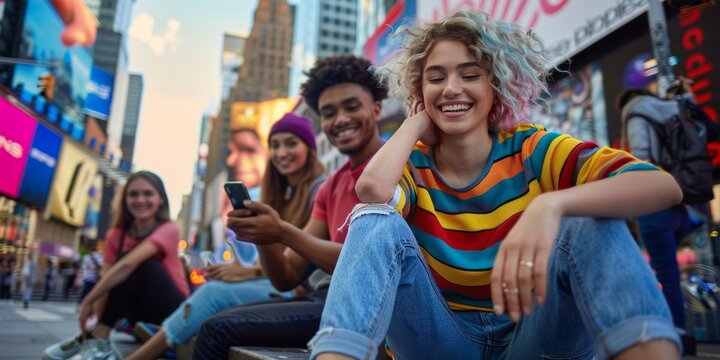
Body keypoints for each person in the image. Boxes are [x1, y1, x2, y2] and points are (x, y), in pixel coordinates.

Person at [309, 11, 682, 360]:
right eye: (436, 78)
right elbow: (372, 192)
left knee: (588, 218)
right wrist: (416, 123)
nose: (452, 89)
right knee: (376, 218)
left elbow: (661, 186)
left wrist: (551, 206)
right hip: (441, 341)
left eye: (470, 75)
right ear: (419, 93)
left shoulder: (533, 148)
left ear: (496, 86)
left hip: (535, 338)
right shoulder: (412, 162)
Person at [191, 55, 387, 359]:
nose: (340, 120)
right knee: (213, 319)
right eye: (329, 112)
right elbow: (286, 276)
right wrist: (264, 236)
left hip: (374, 307)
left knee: (217, 329)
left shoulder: (398, 164)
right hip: (325, 299)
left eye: (352, 107)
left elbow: (364, 266)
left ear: (376, 108)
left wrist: (282, 231)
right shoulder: (332, 185)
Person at [124, 112, 326, 360]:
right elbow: (275, 267)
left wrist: (247, 272)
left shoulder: (321, 190)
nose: (282, 152)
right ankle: (170, 336)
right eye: (275, 145)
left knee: (215, 293)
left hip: (308, 295)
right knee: (216, 288)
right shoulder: (282, 196)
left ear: (310, 148)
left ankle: (157, 345)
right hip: (286, 289)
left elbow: (297, 266)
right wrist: (244, 267)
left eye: (291, 143)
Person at [43, 171, 189, 360]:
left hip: (175, 311)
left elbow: (128, 265)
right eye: (133, 194)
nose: (140, 200)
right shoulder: (116, 235)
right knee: (117, 272)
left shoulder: (169, 229)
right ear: (125, 199)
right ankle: (93, 340)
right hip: (137, 313)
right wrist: (94, 320)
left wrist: (87, 300)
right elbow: (107, 279)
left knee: (137, 262)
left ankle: (99, 341)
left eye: (148, 194)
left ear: (161, 199)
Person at [618, 75, 703, 346]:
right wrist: (686, 91)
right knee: (671, 270)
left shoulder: (634, 114)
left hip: (654, 209)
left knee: (664, 273)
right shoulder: (670, 109)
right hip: (679, 204)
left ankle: (675, 334)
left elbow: (642, 157)